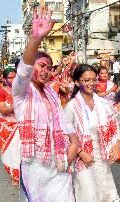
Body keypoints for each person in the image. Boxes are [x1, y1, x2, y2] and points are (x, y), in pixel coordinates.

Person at [12, 8, 78, 201]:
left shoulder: (50, 92)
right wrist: (36, 38)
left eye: (49, 68)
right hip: (36, 166)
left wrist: (74, 142)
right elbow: (24, 71)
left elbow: (63, 120)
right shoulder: (22, 92)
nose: (46, 71)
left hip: (59, 159)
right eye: (41, 66)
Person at [64, 64, 120, 202]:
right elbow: (64, 137)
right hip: (83, 161)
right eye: (86, 80)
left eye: (94, 79)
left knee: (107, 194)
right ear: (77, 82)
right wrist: (80, 152)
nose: (91, 83)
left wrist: (116, 145)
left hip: (102, 159)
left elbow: (114, 125)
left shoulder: (103, 104)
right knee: (87, 195)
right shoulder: (71, 107)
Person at [0, 67, 20, 186]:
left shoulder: (22, 90)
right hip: (6, 126)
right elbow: (3, 110)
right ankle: (15, 176)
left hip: (21, 124)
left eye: (15, 77)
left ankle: (24, 175)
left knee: (21, 152)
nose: (13, 79)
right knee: (11, 153)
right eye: (10, 77)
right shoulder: (0, 92)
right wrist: (16, 107)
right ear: (4, 79)